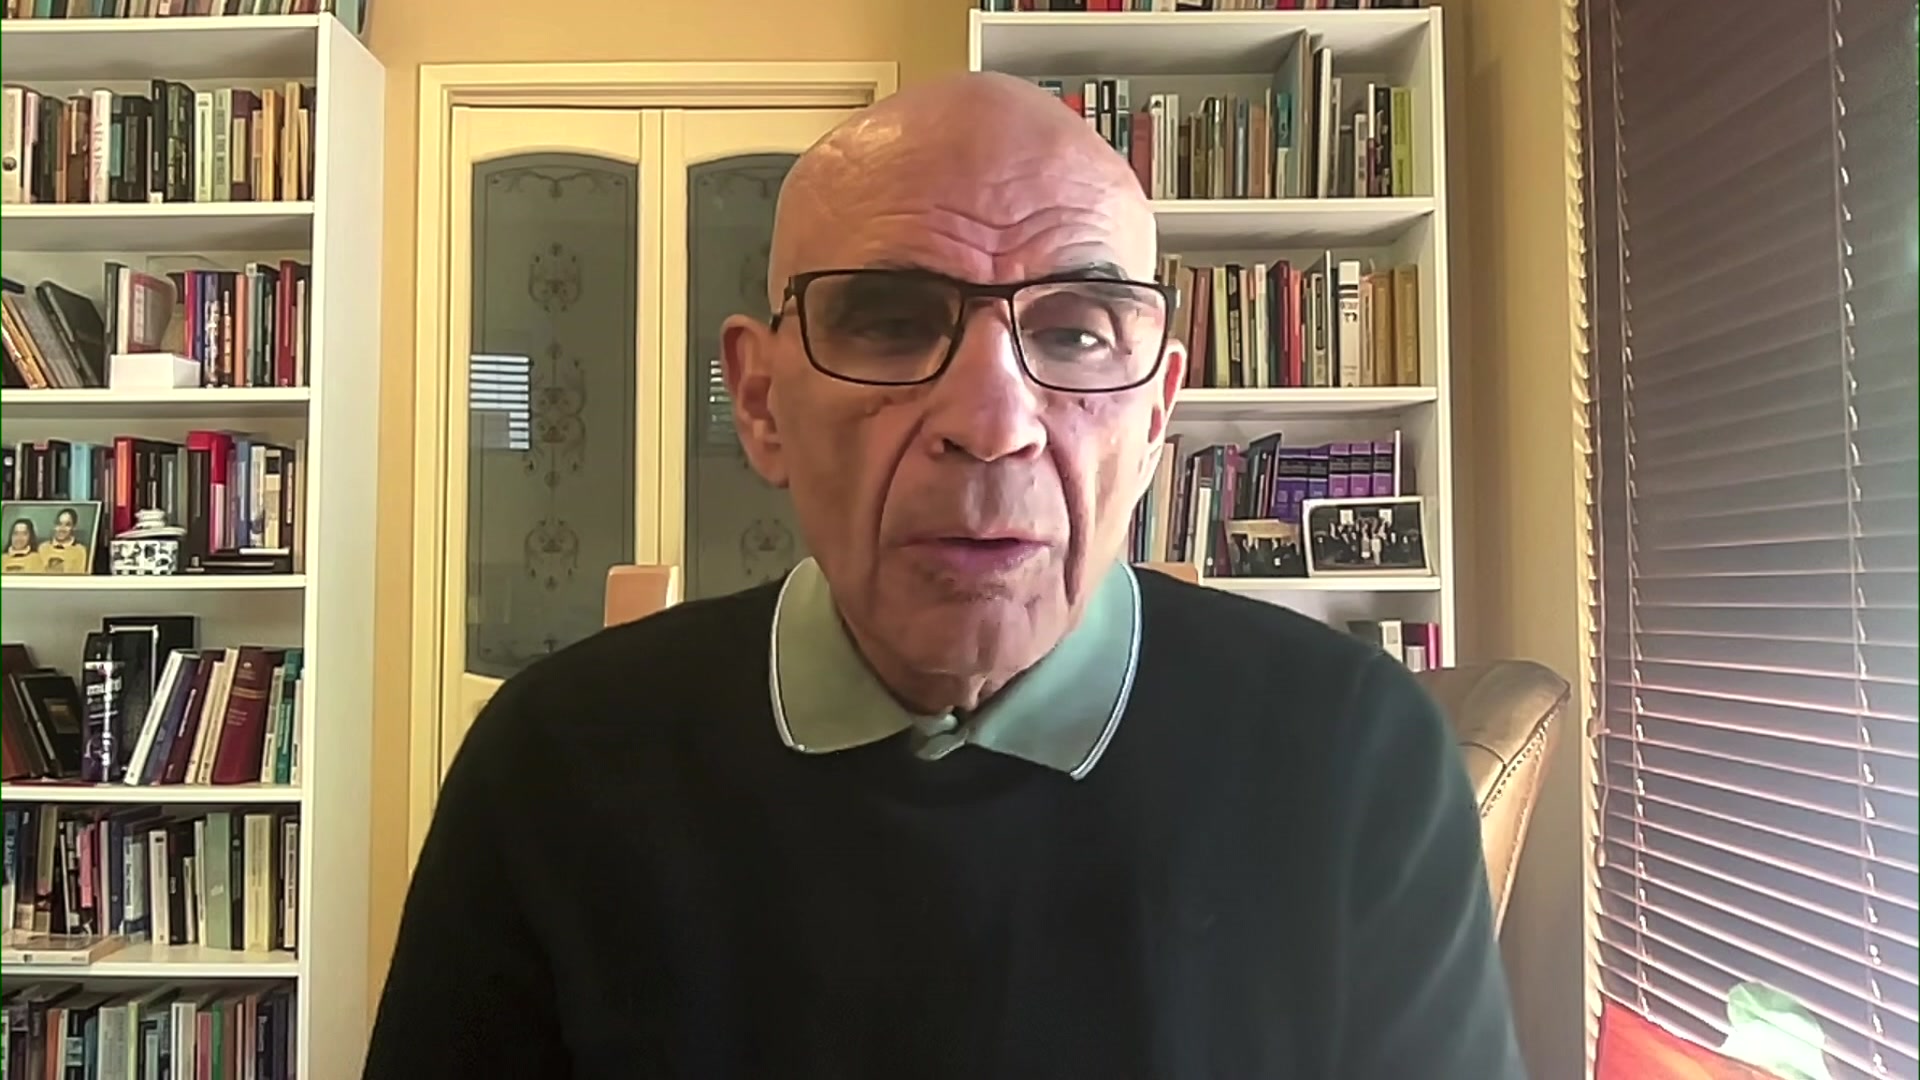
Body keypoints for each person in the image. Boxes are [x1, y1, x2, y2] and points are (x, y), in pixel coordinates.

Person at [366, 73, 1524, 1080]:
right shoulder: (555, 763)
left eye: (1075, 333)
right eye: (887, 320)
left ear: (1157, 411)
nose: (990, 421)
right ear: (761, 402)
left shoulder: (1356, 758)